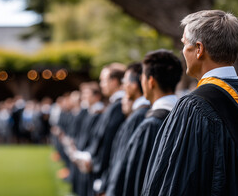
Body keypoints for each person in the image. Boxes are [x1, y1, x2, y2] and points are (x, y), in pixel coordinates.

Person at [142, 10, 238, 196]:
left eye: (185, 45)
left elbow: (176, 183)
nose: (183, 52)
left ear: (199, 49)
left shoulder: (193, 107)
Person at [120, 50, 182, 196]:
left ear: (151, 81)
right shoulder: (187, 118)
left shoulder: (150, 125)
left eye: (142, 78)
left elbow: (137, 178)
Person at [97, 62, 151, 196]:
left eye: (125, 81)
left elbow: (123, 159)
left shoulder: (139, 116)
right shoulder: (137, 114)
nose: (124, 86)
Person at [75, 63, 126, 196]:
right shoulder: (113, 105)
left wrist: (94, 162)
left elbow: (109, 142)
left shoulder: (118, 106)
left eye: (103, 80)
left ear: (114, 81)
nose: (101, 84)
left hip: (106, 170)